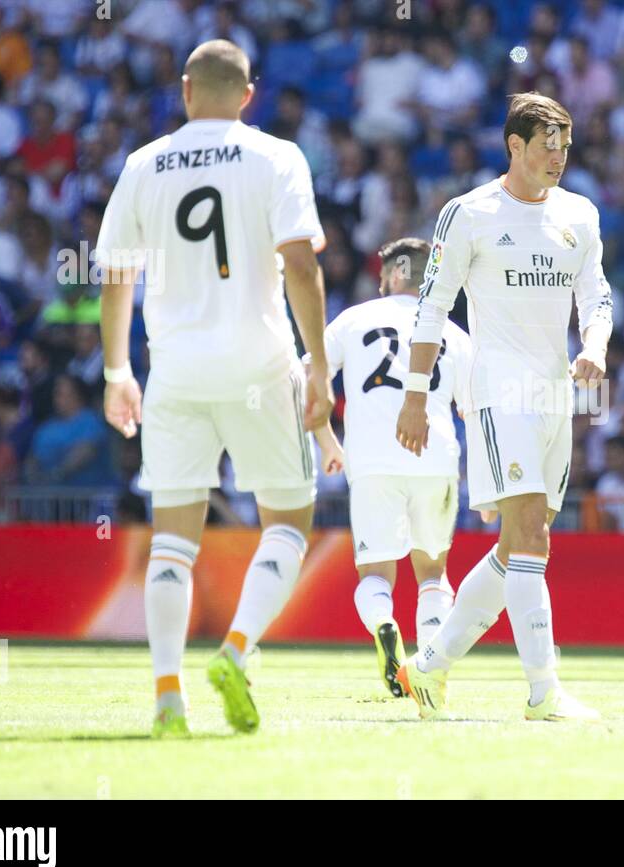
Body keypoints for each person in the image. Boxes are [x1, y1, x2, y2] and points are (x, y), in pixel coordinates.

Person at [95, 40, 334, 739]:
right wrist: (318, 363)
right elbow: (300, 266)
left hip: (174, 370)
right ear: (249, 95)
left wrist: (117, 372)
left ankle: (168, 697)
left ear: (186, 91)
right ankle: (235, 651)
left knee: (172, 543)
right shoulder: (277, 156)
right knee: (288, 522)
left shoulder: (144, 163)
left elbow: (115, 278)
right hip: (260, 365)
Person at [395, 92, 612, 721]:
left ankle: (428, 669)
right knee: (529, 536)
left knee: (521, 544)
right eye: (547, 144)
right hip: (497, 392)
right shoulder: (469, 213)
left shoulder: (581, 215)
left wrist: (594, 346)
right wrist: (415, 396)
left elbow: (596, 297)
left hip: (554, 395)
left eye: (565, 145)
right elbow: (433, 308)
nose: (558, 156)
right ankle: (544, 691)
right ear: (513, 146)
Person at [312, 237, 473, 696]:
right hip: (436, 458)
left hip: (371, 461)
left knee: (376, 575)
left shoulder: (354, 319)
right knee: (434, 574)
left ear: (395, 273)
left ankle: (385, 624)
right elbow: (476, 412)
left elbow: (309, 377)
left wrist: (328, 441)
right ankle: (429, 666)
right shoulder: (452, 332)